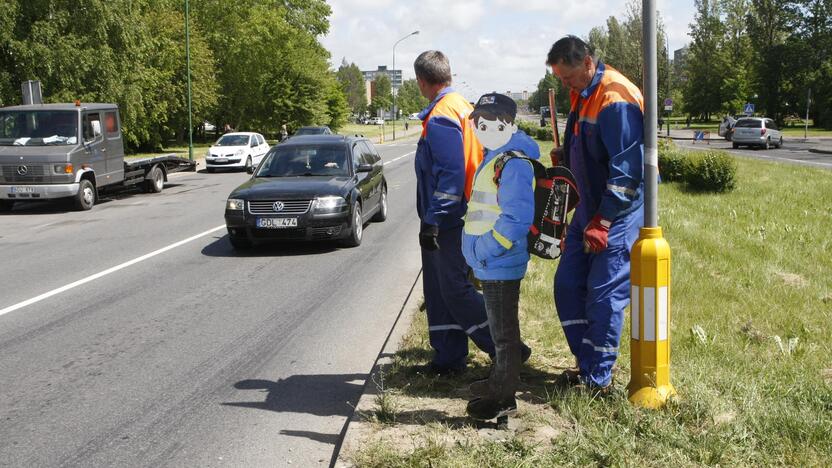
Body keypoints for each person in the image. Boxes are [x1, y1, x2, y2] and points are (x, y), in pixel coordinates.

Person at [546, 36, 645, 393]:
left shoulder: (615, 98)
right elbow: (588, 149)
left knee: (603, 297)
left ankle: (598, 380)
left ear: (587, 62)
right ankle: (585, 362)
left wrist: (603, 221)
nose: (564, 84)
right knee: (568, 285)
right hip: (587, 207)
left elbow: (628, 170)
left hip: (616, 213)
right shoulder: (584, 92)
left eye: (567, 77)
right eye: (560, 78)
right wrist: (566, 154)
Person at [413, 50, 496, 375]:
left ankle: (507, 347)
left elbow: (450, 175)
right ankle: (448, 356)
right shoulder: (464, 107)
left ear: (422, 82)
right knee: (439, 287)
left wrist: (433, 220)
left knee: (454, 288)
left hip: (452, 217)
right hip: (468, 210)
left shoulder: (442, 115)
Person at [462, 93, 539, 420]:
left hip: (499, 262)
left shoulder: (513, 162)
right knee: (500, 333)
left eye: (494, 122)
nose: (485, 128)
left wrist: (483, 251)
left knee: (505, 338)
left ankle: (502, 400)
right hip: (491, 262)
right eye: (481, 122)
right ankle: (498, 384)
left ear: (509, 123)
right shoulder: (497, 155)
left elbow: (516, 219)